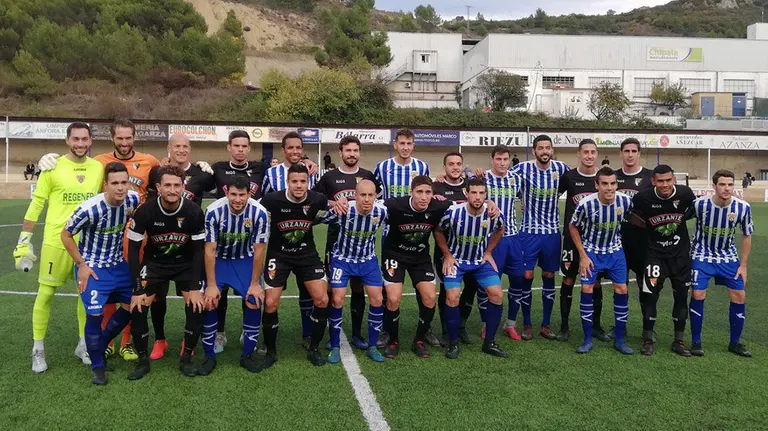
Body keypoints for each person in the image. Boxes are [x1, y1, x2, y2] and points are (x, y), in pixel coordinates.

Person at [16, 122, 104, 373]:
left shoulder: (97, 168)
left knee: (85, 297)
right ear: (67, 140)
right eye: (75, 139)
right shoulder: (52, 167)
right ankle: (38, 349)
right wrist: (24, 238)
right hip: (56, 241)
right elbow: (37, 204)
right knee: (45, 294)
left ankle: (83, 343)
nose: (80, 144)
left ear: (90, 141)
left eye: (84, 139)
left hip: (86, 243)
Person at [60, 162, 140, 385]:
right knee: (95, 315)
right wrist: (81, 265)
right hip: (93, 268)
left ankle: (100, 343)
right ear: (106, 185)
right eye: (115, 183)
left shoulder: (132, 200)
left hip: (118, 264)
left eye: (124, 182)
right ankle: (97, 366)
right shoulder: (89, 209)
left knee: (132, 306)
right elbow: (66, 235)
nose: (120, 188)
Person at [126, 165, 206, 380]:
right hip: (155, 264)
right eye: (167, 185)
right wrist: (136, 288)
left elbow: (199, 251)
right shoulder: (145, 211)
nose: (172, 190)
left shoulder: (194, 211)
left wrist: (197, 287)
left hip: (185, 264)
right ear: (158, 187)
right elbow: (133, 250)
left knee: (197, 304)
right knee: (138, 306)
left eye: (177, 185)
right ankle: (143, 360)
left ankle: (187, 358)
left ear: (183, 187)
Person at [145, 134, 214, 359]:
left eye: (185, 146)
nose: (181, 150)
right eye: (177, 146)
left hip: (190, 245)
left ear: (190, 148)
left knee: (192, 296)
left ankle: (188, 341)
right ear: (169, 148)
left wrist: (205, 166)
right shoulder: (157, 171)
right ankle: (160, 340)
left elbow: (225, 181)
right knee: (156, 296)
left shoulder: (202, 173)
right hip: (161, 243)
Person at [258, 164, 331, 368]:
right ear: (288, 182)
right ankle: (270, 350)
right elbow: (254, 209)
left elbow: (331, 204)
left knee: (322, 299)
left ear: (308, 182)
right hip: (278, 255)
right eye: (294, 181)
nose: (299, 186)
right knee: (271, 302)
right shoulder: (272, 199)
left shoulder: (316, 198)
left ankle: (314, 348)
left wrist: (341, 202)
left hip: (306, 255)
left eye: (303, 181)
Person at [199, 176, 271, 374]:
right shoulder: (213, 211)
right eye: (233, 194)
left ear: (249, 194)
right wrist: (211, 285)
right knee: (210, 301)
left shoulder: (259, 213)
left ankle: (247, 355)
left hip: (244, 260)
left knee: (254, 300)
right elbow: (210, 249)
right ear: (226, 192)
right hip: (220, 260)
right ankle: (208, 356)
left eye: (242, 195)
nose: (237, 199)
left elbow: (259, 250)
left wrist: (255, 283)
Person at [313, 135, 378, 350]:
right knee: (335, 290)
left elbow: (378, 204)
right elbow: (314, 199)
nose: (352, 154)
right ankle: (333, 336)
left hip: (362, 246)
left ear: (359, 153)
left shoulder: (367, 176)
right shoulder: (330, 177)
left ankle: (358, 334)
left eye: (355, 150)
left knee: (359, 288)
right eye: (348, 150)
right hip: (336, 243)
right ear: (340, 153)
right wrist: (333, 202)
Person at [434, 177, 508, 359]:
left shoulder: (493, 214)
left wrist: (489, 251)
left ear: (486, 195)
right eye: (473, 192)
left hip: (480, 262)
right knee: (452, 296)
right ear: (466, 193)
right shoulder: (453, 213)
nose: (477, 197)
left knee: (497, 294)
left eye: (481, 193)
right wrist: (448, 255)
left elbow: (500, 230)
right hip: (457, 261)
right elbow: (438, 231)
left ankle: (489, 342)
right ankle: (453, 343)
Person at [373, 128, 432, 346]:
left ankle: (425, 330)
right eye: (402, 143)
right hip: (391, 235)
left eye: (409, 143)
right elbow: (373, 193)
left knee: (422, 286)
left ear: (413, 145)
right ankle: (388, 330)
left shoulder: (422, 167)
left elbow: (429, 190)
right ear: (395, 145)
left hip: (417, 234)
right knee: (390, 287)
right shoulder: (382, 167)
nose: (405, 147)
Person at [261, 132, 320, 350]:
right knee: (271, 296)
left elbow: (317, 198)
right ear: (283, 150)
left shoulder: (311, 171)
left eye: (298, 148)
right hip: (278, 243)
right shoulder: (272, 173)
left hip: (304, 239)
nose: (294, 151)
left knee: (308, 290)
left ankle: (307, 334)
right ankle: (268, 343)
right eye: (290, 148)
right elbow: (263, 201)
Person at [380, 175, 451, 358]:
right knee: (394, 298)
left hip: (420, 258)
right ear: (411, 192)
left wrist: (490, 204)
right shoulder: (395, 205)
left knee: (429, 297)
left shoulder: (439, 206)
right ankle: (393, 340)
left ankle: (418, 340)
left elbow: (465, 205)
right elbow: (373, 204)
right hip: (394, 255)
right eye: (419, 192)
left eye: (428, 192)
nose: (424, 197)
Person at [630, 164, 696, 356]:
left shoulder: (685, 194)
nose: (665, 185)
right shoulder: (643, 198)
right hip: (654, 256)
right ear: (653, 182)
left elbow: (694, 212)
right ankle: (648, 339)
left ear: (674, 179)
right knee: (650, 297)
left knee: (682, 297)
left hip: (680, 256)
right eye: (660, 181)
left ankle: (679, 341)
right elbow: (633, 218)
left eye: (668, 180)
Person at [569, 166, 633, 355]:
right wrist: (583, 255)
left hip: (615, 251)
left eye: (613, 183)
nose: (609, 188)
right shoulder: (586, 204)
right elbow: (573, 227)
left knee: (622, 289)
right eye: (604, 184)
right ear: (597, 185)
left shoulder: (625, 201)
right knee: (588, 288)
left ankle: (620, 339)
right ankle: (587, 339)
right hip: (591, 253)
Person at [322, 180, 388, 363]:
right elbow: (317, 218)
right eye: (363, 195)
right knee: (337, 298)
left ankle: (373, 346)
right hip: (342, 260)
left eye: (370, 195)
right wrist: (331, 205)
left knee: (377, 298)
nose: (367, 199)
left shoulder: (381, 212)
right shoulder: (344, 210)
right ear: (355, 195)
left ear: (375, 196)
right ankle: (335, 345)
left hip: (367, 260)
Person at [509, 135, 569, 340]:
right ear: (534, 151)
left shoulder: (561, 168)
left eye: (548, 148)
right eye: (540, 148)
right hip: (529, 232)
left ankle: (545, 324)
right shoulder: (522, 169)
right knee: (526, 276)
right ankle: (526, 324)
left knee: (549, 276)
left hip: (552, 233)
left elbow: (578, 183)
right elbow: (501, 177)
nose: (545, 151)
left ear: (552, 150)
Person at [689, 169, 753, 358]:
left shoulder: (743, 207)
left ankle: (734, 343)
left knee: (739, 296)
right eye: (723, 184)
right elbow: (679, 218)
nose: (727, 188)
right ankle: (696, 341)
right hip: (701, 255)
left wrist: (743, 265)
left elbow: (747, 235)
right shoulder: (699, 204)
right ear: (714, 186)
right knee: (698, 294)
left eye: (730, 184)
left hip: (728, 257)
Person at [433, 152, 481, 346]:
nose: (455, 167)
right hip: (446, 250)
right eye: (451, 164)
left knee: (471, 286)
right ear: (444, 167)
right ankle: (447, 329)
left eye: (458, 164)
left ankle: (461, 325)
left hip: (471, 250)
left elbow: (483, 202)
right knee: (447, 288)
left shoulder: (470, 187)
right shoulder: (436, 187)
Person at [556, 139, 600, 342]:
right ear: (579, 154)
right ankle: (564, 326)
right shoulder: (569, 177)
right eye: (586, 152)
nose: (589, 156)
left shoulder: (603, 178)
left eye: (592, 152)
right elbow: (553, 197)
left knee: (596, 282)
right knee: (568, 279)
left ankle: (596, 326)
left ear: (597, 154)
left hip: (596, 240)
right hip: (571, 239)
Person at [481, 147, 524, 342]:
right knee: (489, 286)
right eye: (498, 159)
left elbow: (524, 196)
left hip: (513, 238)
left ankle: (510, 325)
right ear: (492, 160)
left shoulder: (516, 178)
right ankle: (486, 325)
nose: (502, 162)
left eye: (505, 159)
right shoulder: (483, 179)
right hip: (491, 239)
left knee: (518, 281)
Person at [614, 138, 654, 337]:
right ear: (621, 153)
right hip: (617, 241)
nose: (630, 154)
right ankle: (619, 326)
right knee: (619, 285)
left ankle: (648, 329)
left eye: (634, 151)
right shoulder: (613, 177)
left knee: (644, 285)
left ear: (639, 154)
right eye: (626, 151)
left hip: (643, 242)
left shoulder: (650, 177)